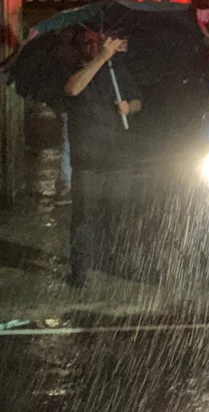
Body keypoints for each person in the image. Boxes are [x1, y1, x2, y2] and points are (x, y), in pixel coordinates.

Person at [63, 32, 142, 288]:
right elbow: (74, 88)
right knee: (83, 218)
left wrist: (129, 107)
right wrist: (101, 58)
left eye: (95, 41)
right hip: (88, 159)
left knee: (119, 216)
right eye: (86, 43)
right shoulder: (73, 69)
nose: (92, 45)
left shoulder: (116, 68)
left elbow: (138, 99)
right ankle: (79, 271)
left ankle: (119, 263)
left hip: (119, 156)